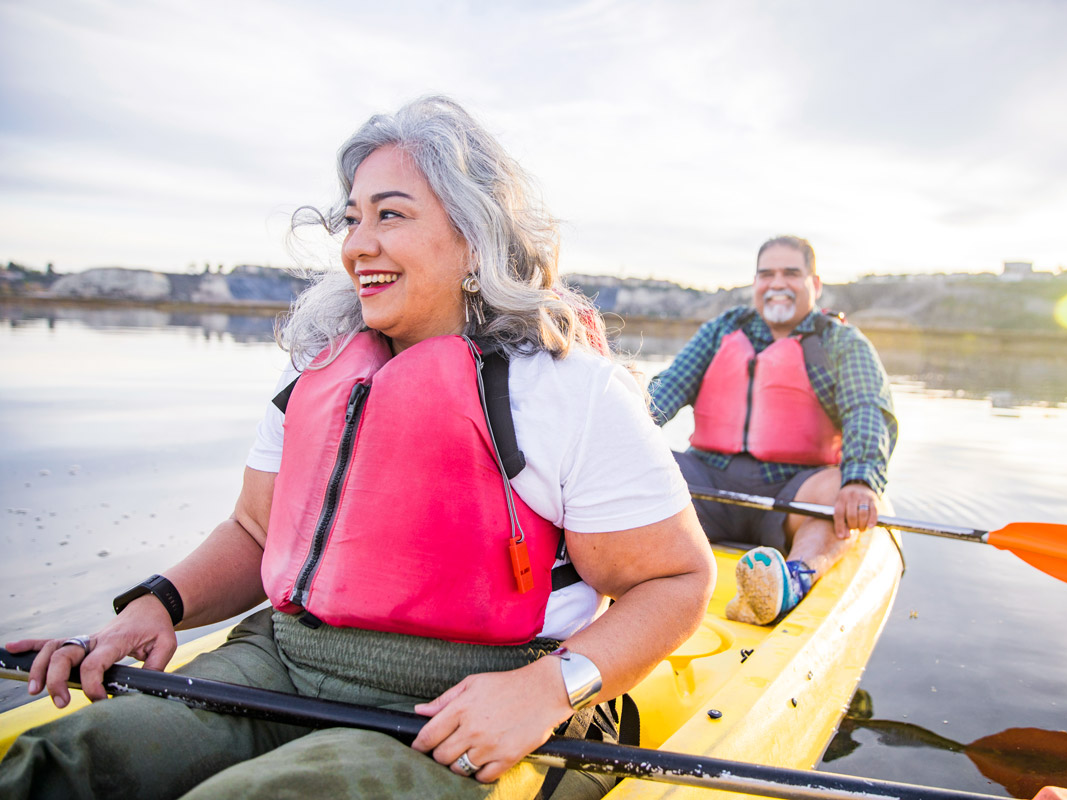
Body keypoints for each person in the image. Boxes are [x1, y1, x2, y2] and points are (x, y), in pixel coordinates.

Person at [0, 96, 715, 800]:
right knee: (64, 762)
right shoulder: (316, 368)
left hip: (472, 697)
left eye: (391, 215)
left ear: (475, 234)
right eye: (352, 218)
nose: (356, 245)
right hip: (284, 661)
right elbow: (255, 530)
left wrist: (548, 688)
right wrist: (157, 605)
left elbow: (676, 581)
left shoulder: (569, 391)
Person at [648, 235, 895, 627]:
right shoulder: (721, 331)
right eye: (767, 274)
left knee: (838, 487)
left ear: (814, 284)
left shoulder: (841, 343)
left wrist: (862, 479)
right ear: (755, 283)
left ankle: (792, 579)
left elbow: (867, 408)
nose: (777, 283)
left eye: (791, 274)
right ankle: (632, 575)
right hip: (709, 487)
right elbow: (667, 388)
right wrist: (619, 434)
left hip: (793, 493)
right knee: (643, 465)